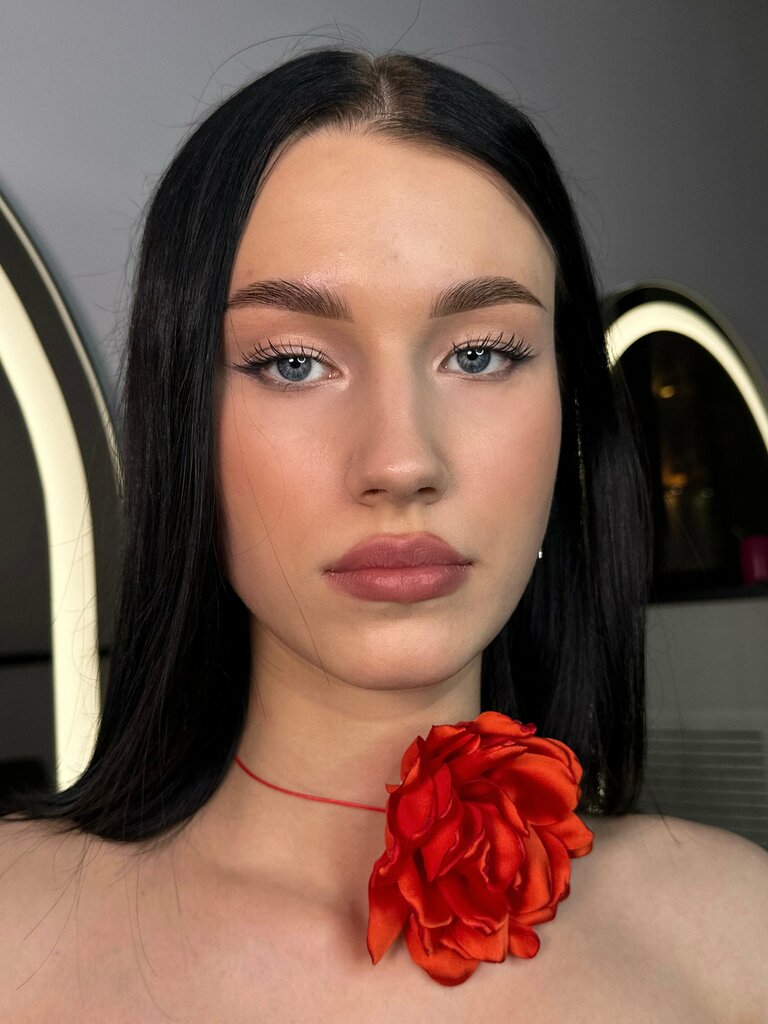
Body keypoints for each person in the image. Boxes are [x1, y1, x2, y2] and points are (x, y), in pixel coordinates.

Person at [1, 44, 766, 1021]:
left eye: (482, 354)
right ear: (182, 421)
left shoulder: (736, 932)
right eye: (291, 363)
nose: (403, 462)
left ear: (572, 412)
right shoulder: (16, 928)